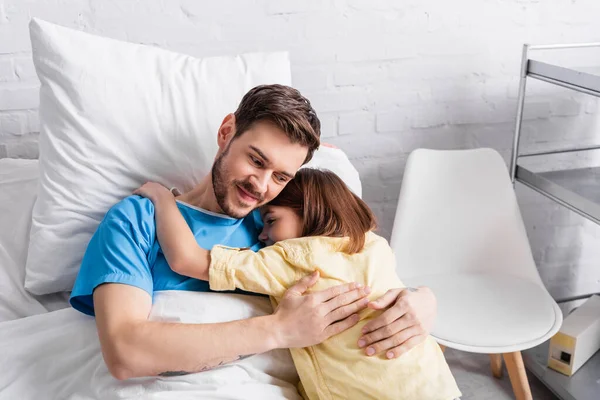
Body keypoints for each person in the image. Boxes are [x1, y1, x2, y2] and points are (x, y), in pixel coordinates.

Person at [69, 84, 438, 382]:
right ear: (226, 132)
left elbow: (362, 270)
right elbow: (125, 353)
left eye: (280, 176)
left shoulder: (282, 226)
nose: (260, 186)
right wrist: (280, 330)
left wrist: (422, 301)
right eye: (256, 160)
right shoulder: (139, 220)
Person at [134, 168, 461, 400]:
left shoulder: (293, 258)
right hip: (433, 384)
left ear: (312, 210)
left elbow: (186, 260)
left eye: (272, 221)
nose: (263, 236)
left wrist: (163, 199)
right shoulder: (374, 246)